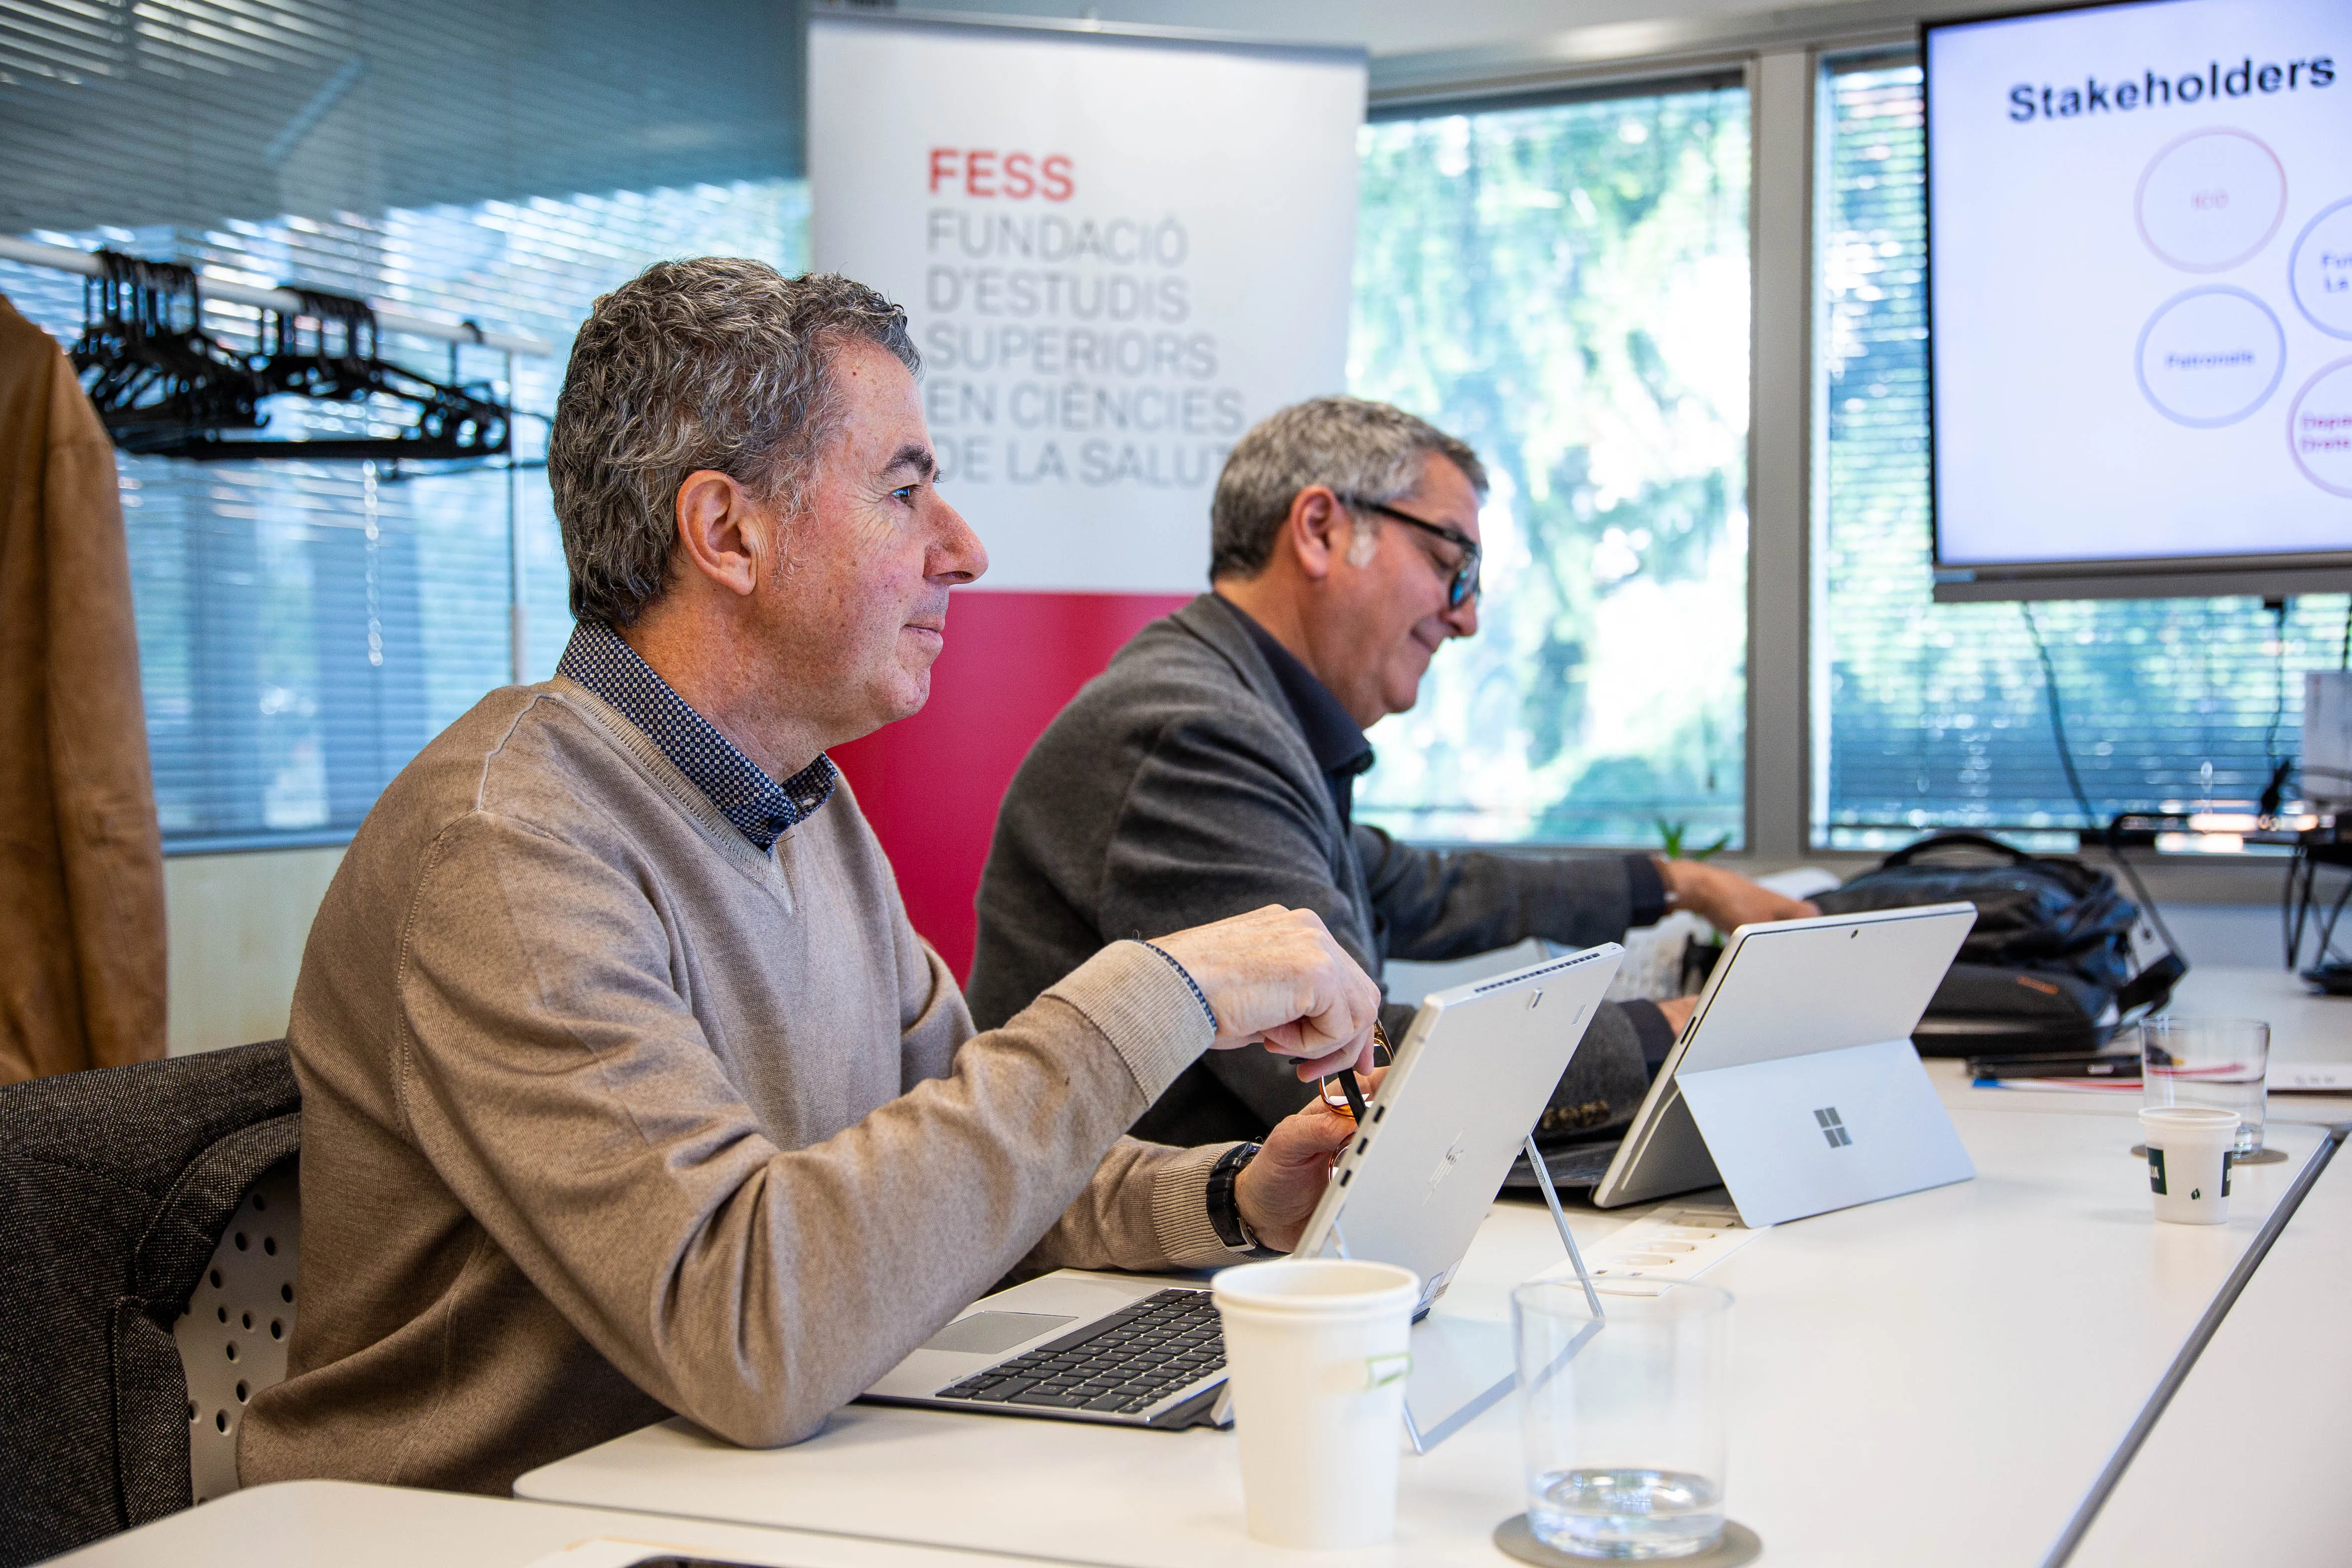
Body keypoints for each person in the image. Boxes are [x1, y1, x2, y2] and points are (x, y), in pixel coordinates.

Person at [238, 263, 1385, 1496]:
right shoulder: (508, 845)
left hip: (717, 1492)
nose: (964, 550)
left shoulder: (803, 810)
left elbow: (969, 1184)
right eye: (903, 491)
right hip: (488, 1530)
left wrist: (1230, 1199)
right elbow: (745, 1325)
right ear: (726, 532)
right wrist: (1159, 991)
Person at [966, 396, 1815, 1149]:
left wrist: (1673, 883)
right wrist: (1676, 1026)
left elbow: (1424, 889)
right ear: (1321, 529)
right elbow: (1345, 1076)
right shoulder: (1192, 732)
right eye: (1453, 563)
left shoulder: (1241, 706)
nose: (1467, 616)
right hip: (1137, 1284)